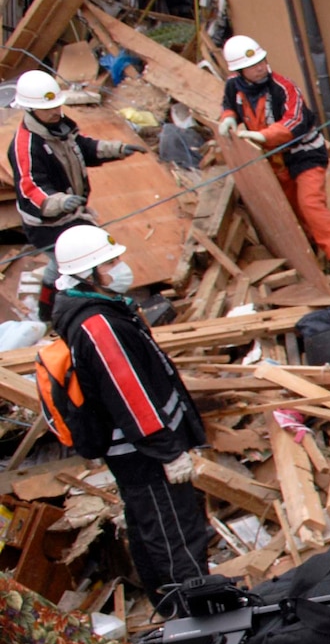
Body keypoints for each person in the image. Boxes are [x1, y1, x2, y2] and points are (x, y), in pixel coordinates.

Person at [45, 225, 208, 607]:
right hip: (144, 454)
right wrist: (168, 450)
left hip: (136, 453)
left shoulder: (96, 311)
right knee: (175, 536)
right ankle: (198, 620)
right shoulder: (97, 324)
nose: (120, 268)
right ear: (89, 274)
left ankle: (173, 611)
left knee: (150, 529)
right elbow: (129, 392)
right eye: (110, 262)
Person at [219, 35, 330, 283]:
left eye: (262, 61)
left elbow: (294, 123)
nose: (261, 67)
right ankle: (318, 255)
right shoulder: (234, 86)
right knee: (292, 208)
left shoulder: (283, 87)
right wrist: (228, 118)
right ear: (240, 70)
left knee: (309, 203)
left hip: (304, 153)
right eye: (253, 65)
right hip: (276, 159)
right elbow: (228, 105)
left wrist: (263, 136)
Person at [10, 70, 142, 315]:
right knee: (83, 260)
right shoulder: (25, 146)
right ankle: (76, 309)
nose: (56, 111)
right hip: (46, 222)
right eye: (49, 108)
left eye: (58, 105)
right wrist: (59, 202)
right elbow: (31, 189)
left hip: (71, 213)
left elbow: (84, 148)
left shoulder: (61, 129)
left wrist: (118, 149)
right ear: (29, 109)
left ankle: (51, 310)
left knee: (62, 265)